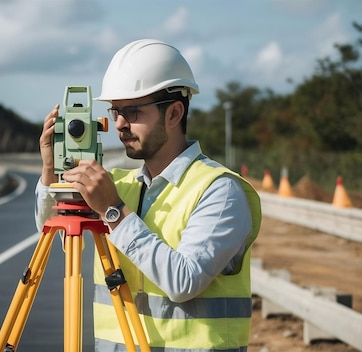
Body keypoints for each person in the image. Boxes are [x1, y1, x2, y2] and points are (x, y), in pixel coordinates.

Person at [35, 39, 262, 351]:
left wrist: (114, 210)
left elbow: (184, 282)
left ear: (173, 113)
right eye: (115, 111)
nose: (119, 124)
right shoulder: (117, 185)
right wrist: (50, 171)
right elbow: (53, 232)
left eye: (133, 111)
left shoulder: (219, 190)